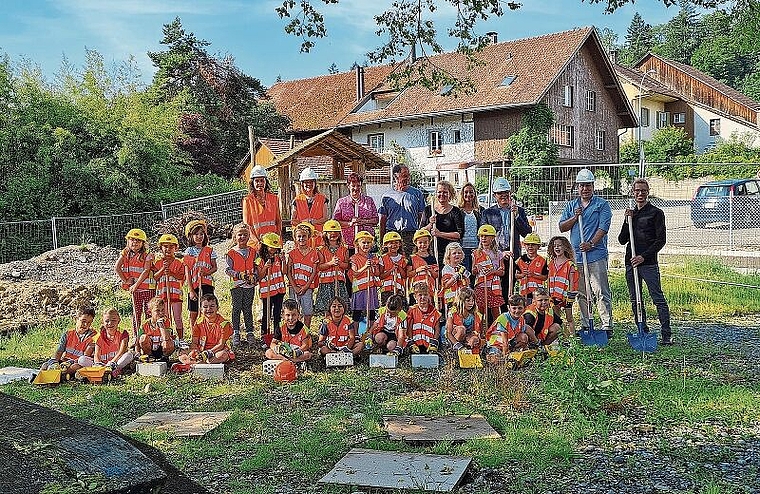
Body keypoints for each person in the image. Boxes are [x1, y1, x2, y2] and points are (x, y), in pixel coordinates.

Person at [559, 168, 613, 338]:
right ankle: (585, 322)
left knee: (600, 291)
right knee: (582, 292)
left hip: (596, 255)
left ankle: (606, 325)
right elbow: (562, 227)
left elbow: (603, 228)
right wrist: (575, 217)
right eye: (582, 186)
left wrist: (591, 243)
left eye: (588, 185)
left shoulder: (601, 205)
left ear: (593, 186)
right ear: (578, 187)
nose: (585, 189)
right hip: (577, 257)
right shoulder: (572, 206)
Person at [617, 178, 673, 345]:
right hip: (631, 263)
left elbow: (660, 240)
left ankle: (666, 334)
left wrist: (643, 256)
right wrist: (627, 220)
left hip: (648, 264)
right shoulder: (631, 214)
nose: (640, 193)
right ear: (633, 193)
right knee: (636, 299)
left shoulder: (656, 213)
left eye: (643, 190)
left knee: (657, 298)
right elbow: (622, 239)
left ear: (648, 192)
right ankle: (642, 330)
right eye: (637, 191)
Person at [481, 177, 532, 305]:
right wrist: (499, 253)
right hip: (495, 256)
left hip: (513, 255)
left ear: (510, 193)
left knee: (511, 286)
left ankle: (511, 312)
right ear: (494, 195)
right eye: (500, 193)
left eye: (506, 192)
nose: (503, 195)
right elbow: (483, 237)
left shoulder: (518, 210)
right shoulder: (488, 213)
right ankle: (498, 315)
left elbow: (526, 232)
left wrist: (517, 217)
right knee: (496, 288)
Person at [136, 234, 185, 340]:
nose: (168, 249)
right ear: (161, 248)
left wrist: (171, 272)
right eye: (165, 246)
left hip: (176, 294)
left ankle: (181, 339)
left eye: (171, 247)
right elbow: (155, 277)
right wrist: (163, 268)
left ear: (176, 248)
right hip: (163, 295)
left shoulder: (179, 262)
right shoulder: (158, 263)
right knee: (165, 318)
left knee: (177, 318)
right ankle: (167, 338)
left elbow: (181, 276)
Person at [379, 164, 426, 256]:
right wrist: (382, 241)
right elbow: (382, 220)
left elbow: (422, 218)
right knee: (391, 263)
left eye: (408, 175)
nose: (408, 178)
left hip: (410, 235)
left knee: (409, 264)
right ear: (395, 177)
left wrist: (420, 236)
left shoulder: (417, 194)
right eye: (404, 175)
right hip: (392, 235)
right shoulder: (386, 196)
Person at [116, 228, 155, 336]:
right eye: (132, 240)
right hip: (135, 289)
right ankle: (136, 336)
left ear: (143, 243)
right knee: (136, 313)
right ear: (128, 241)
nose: (135, 242)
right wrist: (126, 281)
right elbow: (117, 267)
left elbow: (146, 271)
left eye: (138, 240)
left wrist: (135, 285)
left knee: (149, 313)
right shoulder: (125, 253)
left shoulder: (148, 255)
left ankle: (149, 335)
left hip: (148, 288)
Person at [40, 307, 96, 378]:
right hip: (65, 362)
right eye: (83, 321)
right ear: (76, 319)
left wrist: (70, 362)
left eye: (89, 322)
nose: (86, 325)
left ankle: (58, 375)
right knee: (45, 365)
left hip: (78, 363)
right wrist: (54, 362)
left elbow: (86, 356)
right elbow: (59, 352)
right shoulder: (67, 334)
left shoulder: (93, 336)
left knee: (76, 367)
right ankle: (48, 375)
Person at [333, 172, 379, 258]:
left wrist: (363, 221)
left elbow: (376, 220)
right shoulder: (342, 202)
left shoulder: (368, 201)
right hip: (348, 243)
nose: (356, 188)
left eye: (358, 186)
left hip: (366, 243)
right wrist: (350, 223)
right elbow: (335, 222)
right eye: (353, 186)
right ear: (348, 186)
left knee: (368, 267)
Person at [226, 223, 257, 347]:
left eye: (245, 234)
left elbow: (256, 266)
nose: (242, 237)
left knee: (248, 309)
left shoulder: (253, 251)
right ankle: (236, 332)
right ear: (235, 236)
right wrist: (239, 275)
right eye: (240, 234)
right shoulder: (231, 253)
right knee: (236, 308)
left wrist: (254, 276)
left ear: (249, 236)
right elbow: (228, 270)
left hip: (249, 285)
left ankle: (250, 332)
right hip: (237, 286)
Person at [421, 180, 464, 267]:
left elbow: (459, 234)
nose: (442, 195)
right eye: (439, 192)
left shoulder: (456, 211)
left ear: (450, 194)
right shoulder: (429, 210)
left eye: (445, 192)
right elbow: (421, 232)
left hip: (450, 254)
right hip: (432, 251)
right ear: (436, 193)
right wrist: (430, 224)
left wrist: (439, 234)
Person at [180, 294, 233, 365]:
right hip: (201, 351)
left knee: (222, 355)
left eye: (212, 306)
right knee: (182, 355)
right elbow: (195, 342)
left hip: (216, 351)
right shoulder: (198, 323)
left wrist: (207, 353)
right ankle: (201, 362)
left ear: (217, 308)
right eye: (205, 307)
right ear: (201, 309)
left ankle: (198, 363)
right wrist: (196, 351)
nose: (208, 309)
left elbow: (221, 344)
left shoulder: (224, 323)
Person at [285, 222, 319, 330]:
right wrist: (294, 286)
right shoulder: (291, 253)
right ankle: (295, 331)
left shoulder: (314, 253)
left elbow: (314, 272)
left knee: (307, 311)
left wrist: (306, 287)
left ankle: (306, 332)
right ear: (295, 237)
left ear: (309, 237)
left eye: (304, 236)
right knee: (293, 310)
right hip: (293, 287)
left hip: (307, 287)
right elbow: (288, 272)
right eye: (299, 236)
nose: (301, 238)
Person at [184, 220, 217, 328]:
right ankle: (194, 336)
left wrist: (206, 272)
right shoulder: (189, 251)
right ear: (191, 236)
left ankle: (207, 332)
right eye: (196, 234)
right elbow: (187, 272)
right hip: (194, 286)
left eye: (201, 234)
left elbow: (215, 267)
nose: (199, 237)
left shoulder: (210, 250)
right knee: (194, 312)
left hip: (207, 285)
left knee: (208, 310)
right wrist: (191, 290)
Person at [242, 164, 282, 251]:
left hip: (273, 243)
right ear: (252, 183)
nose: (260, 183)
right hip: (256, 244)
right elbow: (247, 225)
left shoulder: (274, 198)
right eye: (257, 181)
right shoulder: (248, 200)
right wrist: (258, 242)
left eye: (262, 180)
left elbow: (278, 221)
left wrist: (277, 237)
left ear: (265, 182)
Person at [256, 232, 286, 346]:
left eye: (275, 247)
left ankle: (277, 335)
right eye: (271, 247)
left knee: (277, 313)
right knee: (266, 314)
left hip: (279, 289)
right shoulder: (260, 260)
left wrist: (283, 261)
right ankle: (264, 335)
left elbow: (284, 272)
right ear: (265, 246)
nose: (273, 249)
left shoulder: (278, 257)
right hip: (267, 291)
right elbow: (259, 276)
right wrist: (265, 268)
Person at [472, 224, 505, 325]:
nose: (484, 238)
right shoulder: (476, 253)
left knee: (496, 311)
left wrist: (493, 272)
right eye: (481, 236)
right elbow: (473, 271)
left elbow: (502, 271)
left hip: (494, 287)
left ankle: (497, 331)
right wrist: (477, 268)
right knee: (480, 312)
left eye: (486, 236)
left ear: (493, 238)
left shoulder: (498, 254)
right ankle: (480, 332)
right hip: (481, 286)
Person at [315, 219, 350, 315]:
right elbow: (320, 267)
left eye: (335, 232)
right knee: (327, 308)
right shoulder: (321, 250)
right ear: (325, 234)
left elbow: (347, 266)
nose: (333, 234)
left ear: (339, 234)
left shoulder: (344, 249)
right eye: (330, 232)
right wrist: (330, 263)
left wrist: (339, 264)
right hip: (326, 283)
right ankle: (328, 325)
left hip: (339, 282)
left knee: (339, 306)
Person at [547, 236, 579, 337]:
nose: (557, 248)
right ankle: (563, 336)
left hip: (566, 297)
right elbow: (549, 280)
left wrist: (571, 298)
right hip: (554, 296)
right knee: (557, 318)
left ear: (565, 247)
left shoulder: (570, 264)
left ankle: (572, 337)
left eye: (559, 245)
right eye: (555, 246)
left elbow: (573, 282)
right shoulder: (551, 263)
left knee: (569, 317)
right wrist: (548, 295)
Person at [265, 298, 313, 364]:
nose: (290, 318)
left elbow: (305, 345)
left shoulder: (303, 328)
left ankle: (289, 361)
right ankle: (288, 360)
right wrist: (277, 348)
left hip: (296, 353)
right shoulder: (280, 326)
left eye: (293, 315)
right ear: (283, 315)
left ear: (298, 315)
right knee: (268, 352)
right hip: (284, 352)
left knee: (307, 354)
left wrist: (297, 352)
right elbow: (273, 343)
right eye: (288, 315)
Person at [291, 167, 329, 247]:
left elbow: (325, 218)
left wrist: (312, 221)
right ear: (302, 184)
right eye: (306, 182)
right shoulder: (297, 200)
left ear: (315, 183)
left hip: (318, 238)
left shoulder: (322, 198)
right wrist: (303, 223)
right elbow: (293, 220)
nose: (309, 184)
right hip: (302, 240)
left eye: (311, 181)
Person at [349, 231, 380, 327]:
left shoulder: (374, 257)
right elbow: (355, 273)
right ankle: (355, 333)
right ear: (358, 244)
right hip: (359, 289)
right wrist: (365, 267)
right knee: (357, 312)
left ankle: (370, 332)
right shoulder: (354, 258)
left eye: (368, 242)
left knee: (371, 312)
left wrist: (373, 267)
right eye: (364, 242)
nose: (366, 245)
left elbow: (378, 273)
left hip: (370, 288)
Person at [485, 294, 528, 364]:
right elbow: (505, 342)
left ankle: (513, 354)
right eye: (514, 308)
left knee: (524, 337)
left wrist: (525, 352)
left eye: (520, 308)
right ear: (508, 308)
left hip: (509, 343)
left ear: (524, 308)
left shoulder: (522, 319)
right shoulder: (503, 318)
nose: (517, 311)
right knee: (495, 361)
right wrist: (506, 358)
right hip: (495, 344)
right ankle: (494, 355)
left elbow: (521, 336)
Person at [90, 308, 133, 378]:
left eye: (113, 320)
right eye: (107, 321)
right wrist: (98, 365)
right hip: (102, 364)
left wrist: (111, 363)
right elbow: (96, 354)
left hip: (115, 362)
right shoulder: (98, 336)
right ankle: (106, 372)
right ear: (102, 322)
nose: (110, 323)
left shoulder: (123, 333)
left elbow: (121, 352)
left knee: (129, 355)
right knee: (82, 359)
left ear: (119, 320)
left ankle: (112, 370)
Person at [406, 282, 441, 354]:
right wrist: (411, 343)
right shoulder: (411, 310)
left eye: (425, 295)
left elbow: (437, 330)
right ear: (415, 297)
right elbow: (409, 328)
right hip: (416, 344)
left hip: (429, 344)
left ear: (429, 296)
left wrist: (434, 343)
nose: (423, 297)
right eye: (420, 295)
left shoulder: (435, 312)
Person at [136, 296, 176, 361]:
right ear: (150, 312)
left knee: (169, 342)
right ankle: (150, 357)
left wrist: (161, 324)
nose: (161, 313)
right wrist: (137, 353)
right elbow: (138, 342)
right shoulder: (144, 324)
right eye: (157, 311)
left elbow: (166, 338)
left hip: (162, 349)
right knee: (143, 338)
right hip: (150, 349)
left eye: (163, 310)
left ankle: (164, 358)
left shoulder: (166, 321)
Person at [457, 182, 484, 275]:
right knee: (464, 275)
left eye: (471, 192)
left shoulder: (480, 210)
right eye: (466, 192)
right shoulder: (458, 211)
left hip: (477, 249)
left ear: (474, 194)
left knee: (476, 275)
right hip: (462, 248)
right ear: (462, 194)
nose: (468, 194)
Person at [514, 233, 548, 306]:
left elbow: (545, 277)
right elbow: (516, 275)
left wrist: (533, 275)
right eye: (528, 244)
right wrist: (522, 275)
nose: (530, 246)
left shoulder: (542, 261)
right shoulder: (521, 260)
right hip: (524, 292)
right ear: (524, 245)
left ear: (538, 246)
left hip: (537, 293)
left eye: (533, 244)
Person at [408, 229, 439, 306]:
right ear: (416, 243)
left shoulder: (432, 259)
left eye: (425, 242)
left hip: (429, 289)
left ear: (429, 243)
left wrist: (431, 270)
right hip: (416, 290)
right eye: (420, 242)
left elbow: (436, 275)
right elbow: (408, 274)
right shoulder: (412, 258)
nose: (423, 245)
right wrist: (417, 270)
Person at [446, 287, 482, 352]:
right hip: (453, 338)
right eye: (468, 301)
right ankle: (454, 351)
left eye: (472, 300)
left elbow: (476, 332)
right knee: (461, 329)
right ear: (461, 301)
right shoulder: (453, 312)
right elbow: (448, 333)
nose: (471, 303)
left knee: (475, 339)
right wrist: (457, 345)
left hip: (466, 337)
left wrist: (472, 338)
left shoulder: (474, 314)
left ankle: (467, 352)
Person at [378, 231, 409, 306]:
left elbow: (404, 275)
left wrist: (399, 267)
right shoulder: (383, 258)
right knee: (387, 308)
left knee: (400, 309)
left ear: (400, 244)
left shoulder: (403, 259)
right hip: (386, 289)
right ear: (386, 245)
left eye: (396, 242)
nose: (394, 245)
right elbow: (381, 276)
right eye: (391, 243)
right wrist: (391, 270)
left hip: (399, 289)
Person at [440, 242, 469, 311]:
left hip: (462, 298)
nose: (457, 255)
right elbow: (446, 285)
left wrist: (465, 276)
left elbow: (468, 282)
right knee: (452, 317)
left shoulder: (462, 268)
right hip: (451, 299)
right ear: (448, 256)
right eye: (454, 253)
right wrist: (455, 276)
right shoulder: (446, 269)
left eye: (459, 253)